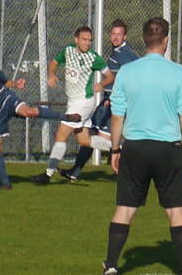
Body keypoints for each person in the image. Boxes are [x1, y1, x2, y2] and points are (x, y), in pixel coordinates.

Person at [101, 17, 182, 275]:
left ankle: (111, 267)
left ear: (144, 40)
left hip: (134, 148)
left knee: (125, 208)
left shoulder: (127, 71)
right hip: (167, 149)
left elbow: (117, 115)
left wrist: (114, 149)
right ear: (166, 40)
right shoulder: (178, 72)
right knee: (176, 210)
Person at [0, 40, 82, 190]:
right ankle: (5, 184)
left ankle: (66, 117)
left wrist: (16, 84)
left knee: (28, 111)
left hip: (6, 100)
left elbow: (5, 82)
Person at [59, 19, 139, 182]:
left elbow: (132, 75)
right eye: (113, 34)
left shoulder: (124, 54)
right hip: (107, 101)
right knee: (91, 133)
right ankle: (75, 171)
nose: (115, 37)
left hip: (114, 103)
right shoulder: (119, 52)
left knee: (106, 139)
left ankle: (126, 168)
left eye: (119, 34)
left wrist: (117, 97)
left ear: (125, 36)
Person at [30, 26, 110, 184]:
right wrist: (52, 74)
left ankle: (47, 174)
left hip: (83, 103)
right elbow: (54, 62)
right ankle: (119, 148)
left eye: (90, 40)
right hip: (74, 102)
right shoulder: (68, 51)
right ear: (76, 40)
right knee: (84, 141)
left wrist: (102, 84)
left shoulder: (94, 57)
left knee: (60, 135)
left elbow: (110, 75)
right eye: (84, 39)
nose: (87, 43)